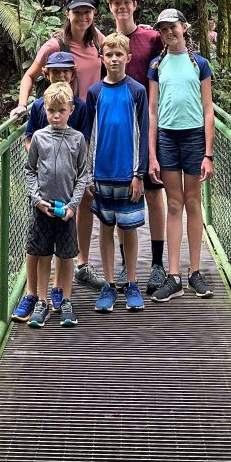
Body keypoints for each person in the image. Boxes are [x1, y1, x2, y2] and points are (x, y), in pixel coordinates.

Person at [11, 0, 104, 291]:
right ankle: (41, 285)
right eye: (77, 12)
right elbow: (30, 75)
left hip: (85, 117)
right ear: (68, 14)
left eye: (88, 12)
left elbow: (120, 51)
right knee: (54, 196)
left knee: (86, 194)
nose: (83, 17)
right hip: (57, 117)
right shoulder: (55, 45)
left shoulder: (95, 40)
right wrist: (23, 104)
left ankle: (81, 263)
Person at [12, 52, 90, 322]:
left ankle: (62, 296)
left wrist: (74, 203)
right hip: (41, 199)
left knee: (66, 251)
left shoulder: (78, 119)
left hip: (66, 201)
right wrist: (36, 197)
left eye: (66, 71)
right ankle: (36, 297)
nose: (56, 115)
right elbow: (30, 163)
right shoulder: (38, 114)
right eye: (52, 111)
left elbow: (83, 168)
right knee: (38, 248)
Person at [148, 8, 215, 302]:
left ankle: (195, 272)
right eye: (163, 29)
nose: (168, 33)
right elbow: (152, 110)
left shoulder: (199, 64)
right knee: (173, 202)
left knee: (193, 201)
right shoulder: (156, 65)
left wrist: (208, 153)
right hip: (167, 137)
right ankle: (173, 275)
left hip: (193, 137)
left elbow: (208, 110)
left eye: (172, 27)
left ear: (184, 27)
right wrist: (152, 153)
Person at [105, 0, 166, 294]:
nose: (121, 7)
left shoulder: (151, 38)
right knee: (119, 197)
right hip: (118, 129)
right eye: (116, 2)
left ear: (135, 4)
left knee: (154, 192)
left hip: (149, 125)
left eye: (126, 2)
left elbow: (173, 61)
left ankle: (156, 263)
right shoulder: (107, 42)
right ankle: (127, 264)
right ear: (111, 7)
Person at [84, 33, 148, 314]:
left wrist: (140, 173)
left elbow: (144, 134)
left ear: (128, 58)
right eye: (108, 55)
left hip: (128, 173)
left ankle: (131, 281)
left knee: (129, 229)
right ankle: (109, 284)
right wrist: (88, 175)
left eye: (118, 55)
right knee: (105, 228)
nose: (113, 59)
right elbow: (89, 135)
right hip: (102, 173)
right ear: (102, 58)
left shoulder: (137, 91)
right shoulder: (95, 93)